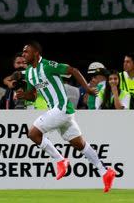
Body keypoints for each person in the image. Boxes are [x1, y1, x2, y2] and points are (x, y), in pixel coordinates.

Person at [16, 41, 115, 192]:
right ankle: (105, 171)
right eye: (23, 52)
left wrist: (87, 88)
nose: (23, 55)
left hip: (61, 108)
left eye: (26, 52)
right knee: (79, 144)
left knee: (33, 133)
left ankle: (60, 160)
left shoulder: (48, 65)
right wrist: (24, 95)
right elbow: (33, 96)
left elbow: (73, 70)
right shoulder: (29, 72)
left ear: (36, 53)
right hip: (61, 113)